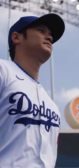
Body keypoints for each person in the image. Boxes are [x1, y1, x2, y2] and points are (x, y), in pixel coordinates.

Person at [0, 14, 65, 167]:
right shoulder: (3, 70)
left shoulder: (53, 107)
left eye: (51, 35)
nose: (49, 38)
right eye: (41, 30)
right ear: (17, 37)